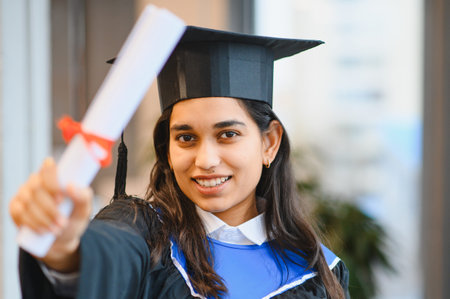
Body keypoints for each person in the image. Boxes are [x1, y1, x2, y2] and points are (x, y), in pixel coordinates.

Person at [9, 26, 349, 298]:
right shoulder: (143, 232)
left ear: (269, 142)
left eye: (227, 134)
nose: (206, 160)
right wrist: (68, 249)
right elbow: (109, 252)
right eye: (186, 138)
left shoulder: (316, 269)